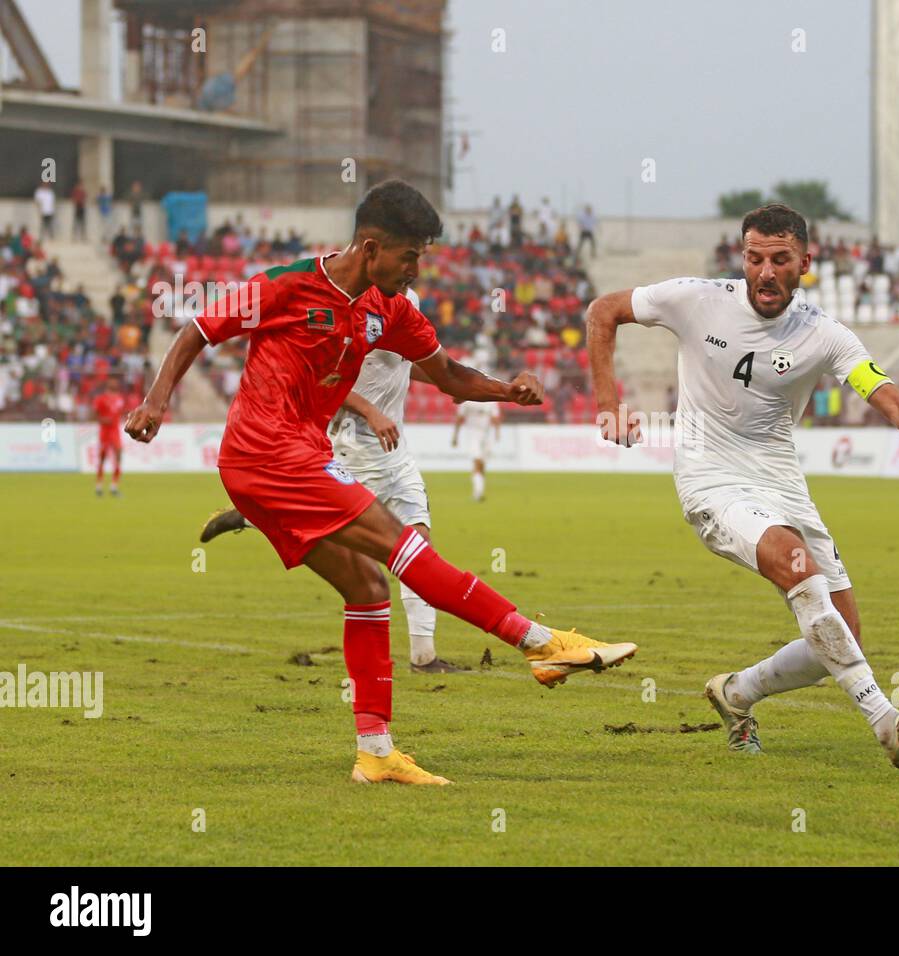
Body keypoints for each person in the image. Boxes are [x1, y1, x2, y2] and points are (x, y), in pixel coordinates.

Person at [125, 180, 637, 786]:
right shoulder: (286, 285)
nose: (416, 269)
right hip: (266, 452)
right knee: (403, 546)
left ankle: (375, 753)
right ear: (371, 248)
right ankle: (539, 643)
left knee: (368, 588)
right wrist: (156, 402)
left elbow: (445, 374)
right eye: (410, 255)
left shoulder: (388, 308)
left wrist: (505, 389)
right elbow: (198, 331)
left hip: (295, 457)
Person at [586, 203, 899, 769]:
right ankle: (890, 726)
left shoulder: (824, 335)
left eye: (779, 260)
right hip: (710, 478)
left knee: (840, 638)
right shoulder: (697, 299)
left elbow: (887, 399)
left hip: (782, 483)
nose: (764, 271)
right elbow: (602, 311)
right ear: (743, 258)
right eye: (754, 258)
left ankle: (735, 694)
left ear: (804, 263)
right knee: (797, 566)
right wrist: (609, 405)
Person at [200, 286, 470, 676]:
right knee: (332, 533)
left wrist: (453, 385)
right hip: (349, 451)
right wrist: (373, 412)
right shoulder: (353, 318)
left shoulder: (401, 304)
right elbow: (329, 378)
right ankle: (253, 516)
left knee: (419, 546)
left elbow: (408, 364)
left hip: (395, 457)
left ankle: (424, 656)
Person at [452, 397, 501, 502]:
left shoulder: (490, 398)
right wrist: (455, 436)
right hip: (473, 435)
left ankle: (479, 491)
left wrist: (497, 433)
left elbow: (495, 417)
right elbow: (460, 418)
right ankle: (478, 493)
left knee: (482, 464)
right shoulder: (466, 398)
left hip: (487, 436)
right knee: (477, 462)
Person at [92, 376, 126, 496]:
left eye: (116, 381)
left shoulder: (120, 399)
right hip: (105, 432)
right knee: (102, 458)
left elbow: (120, 413)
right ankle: (99, 486)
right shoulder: (101, 399)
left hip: (115, 432)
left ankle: (114, 486)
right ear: (108, 384)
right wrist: (102, 419)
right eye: (112, 381)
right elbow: (95, 415)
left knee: (118, 456)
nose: (114, 383)